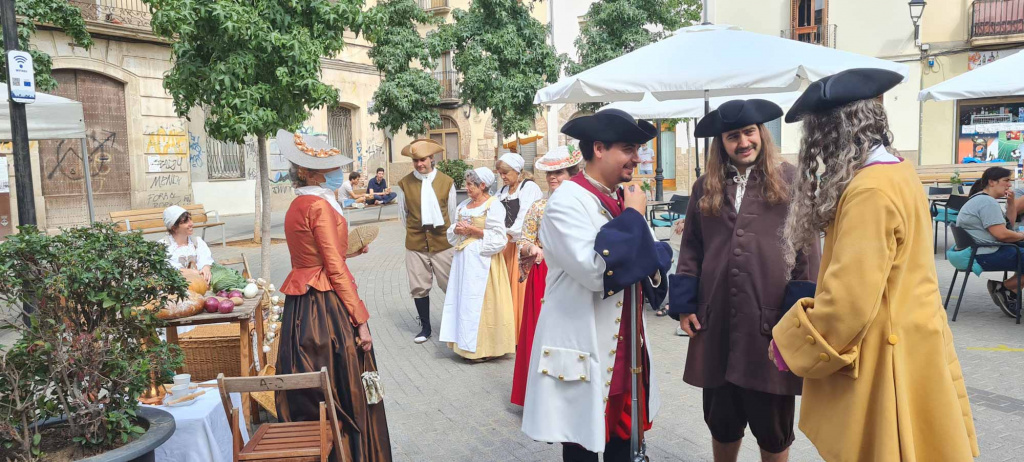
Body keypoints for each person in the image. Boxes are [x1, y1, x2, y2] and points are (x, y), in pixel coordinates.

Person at [772, 68, 979, 461]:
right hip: (917, 342)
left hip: (886, 357)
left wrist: (790, 346)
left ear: (832, 132)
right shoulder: (899, 171)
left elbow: (847, 303)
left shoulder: (868, 190)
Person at [669, 99, 820, 462]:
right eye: (733, 136)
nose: (743, 142)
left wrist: (795, 317)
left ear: (761, 134)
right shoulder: (705, 186)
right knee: (721, 419)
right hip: (715, 320)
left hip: (771, 322)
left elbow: (808, 254)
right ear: (721, 142)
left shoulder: (792, 180)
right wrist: (685, 306)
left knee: (773, 427)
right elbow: (691, 247)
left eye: (749, 132)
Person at [521, 109, 672, 461]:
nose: (637, 158)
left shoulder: (620, 197)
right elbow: (595, 271)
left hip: (627, 350)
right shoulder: (566, 201)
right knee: (582, 447)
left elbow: (658, 262)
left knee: (623, 444)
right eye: (629, 148)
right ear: (600, 148)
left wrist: (644, 251)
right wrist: (634, 218)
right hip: (585, 343)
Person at [273, 129, 392, 462]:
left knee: (312, 390)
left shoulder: (298, 204)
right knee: (340, 385)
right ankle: (348, 454)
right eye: (327, 169)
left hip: (300, 306)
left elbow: (315, 258)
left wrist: (348, 251)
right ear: (311, 172)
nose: (333, 174)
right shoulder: (319, 206)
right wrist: (361, 319)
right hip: (323, 310)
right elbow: (335, 270)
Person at [510, 145, 583, 406]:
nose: (553, 177)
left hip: (577, 275)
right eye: (549, 173)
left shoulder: (585, 204)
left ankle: (571, 392)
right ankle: (539, 395)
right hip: (544, 275)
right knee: (542, 333)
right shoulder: (538, 207)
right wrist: (534, 249)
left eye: (559, 172)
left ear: (572, 173)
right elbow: (524, 241)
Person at [439, 167, 516, 361]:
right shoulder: (464, 205)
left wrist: (475, 230)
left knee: (483, 303)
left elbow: (500, 237)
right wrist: (456, 229)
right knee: (465, 300)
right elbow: (453, 229)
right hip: (464, 261)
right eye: (467, 184)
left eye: (470, 185)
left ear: (483, 185)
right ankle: (464, 344)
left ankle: (486, 348)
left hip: (484, 261)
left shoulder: (493, 205)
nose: (467, 188)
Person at [395, 139, 457, 344]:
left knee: (449, 284)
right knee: (419, 286)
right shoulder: (405, 183)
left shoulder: (447, 182)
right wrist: (415, 233)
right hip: (416, 243)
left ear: (432, 159)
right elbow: (403, 215)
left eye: (423, 160)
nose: (419, 164)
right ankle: (426, 327)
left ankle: (455, 325)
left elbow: (452, 213)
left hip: (442, 243)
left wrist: (450, 239)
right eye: (415, 161)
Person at [956, 166, 1024, 316]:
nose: (1009, 185)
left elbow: (1008, 226)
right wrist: (1022, 235)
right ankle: (1004, 288)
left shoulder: (982, 199)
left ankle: (1009, 290)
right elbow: (1002, 235)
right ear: (992, 182)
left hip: (980, 249)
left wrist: (1011, 202)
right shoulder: (986, 202)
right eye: (1006, 180)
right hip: (984, 253)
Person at [496, 152, 544, 342]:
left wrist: (508, 233)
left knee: (520, 290)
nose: (503, 177)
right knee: (505, 290)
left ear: (517, 171)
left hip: (521, 245)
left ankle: (521, 335)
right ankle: (508, 334)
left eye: (505, 172)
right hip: (505, 244)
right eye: (500, 173)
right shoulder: (501, 192)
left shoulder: (529, 188)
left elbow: (526, 218)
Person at [159, 205, 214, 282]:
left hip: (199, 285)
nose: (191, 223)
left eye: (190, 219)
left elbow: (205, 258)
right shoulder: (163, 246)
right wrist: (190, 272)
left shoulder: (197, 242)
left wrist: (206, 267)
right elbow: (168, 268)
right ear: (174, 228)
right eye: (185, 222)